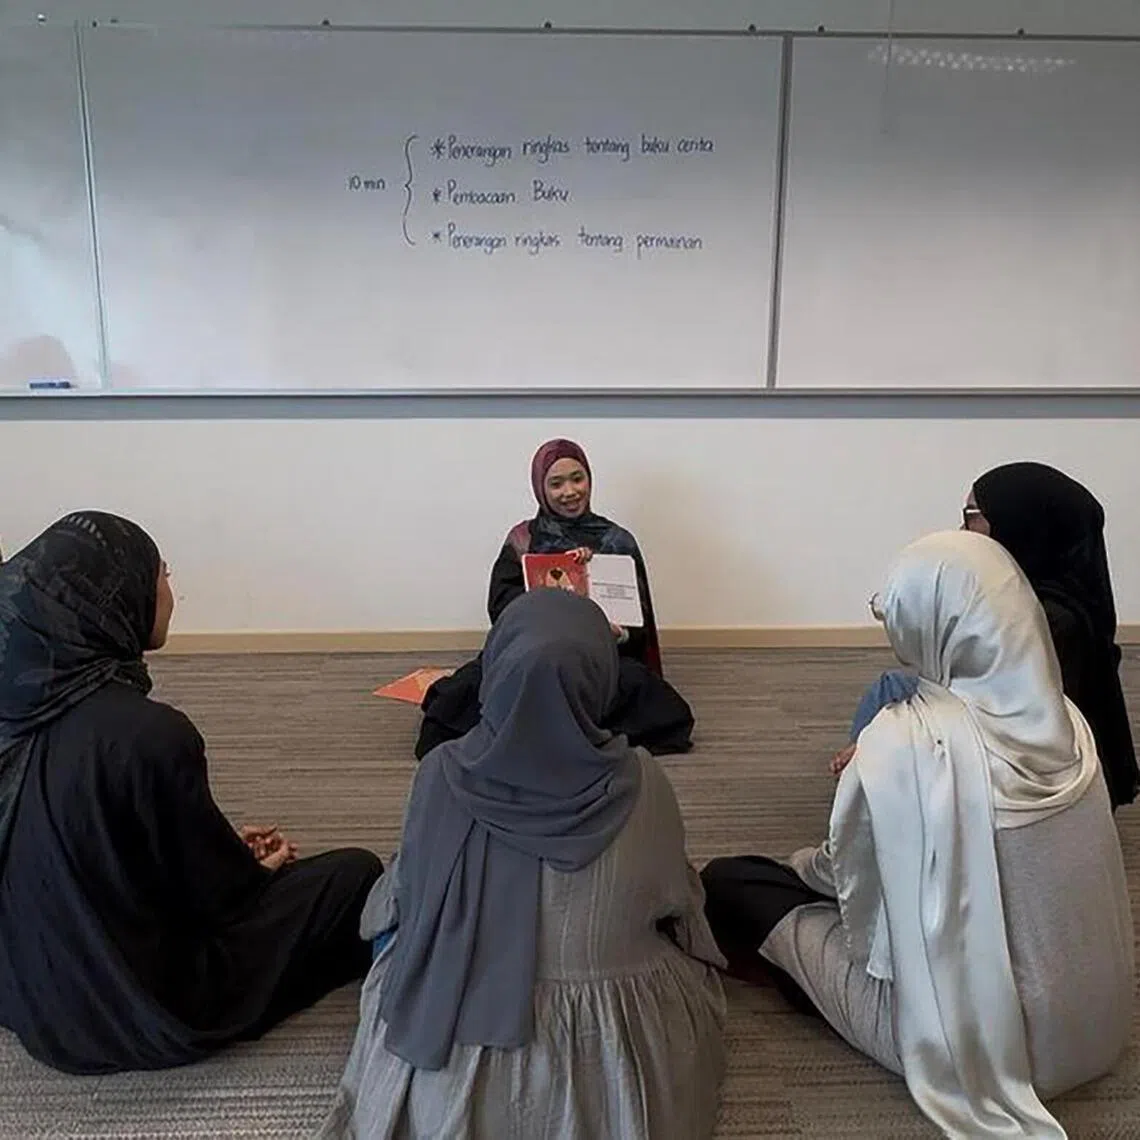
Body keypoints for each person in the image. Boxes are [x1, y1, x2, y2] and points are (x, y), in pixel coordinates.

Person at [702, 531, 1133, 1138]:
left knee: (735, 885)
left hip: (977, 1047)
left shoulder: (908, 739)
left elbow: (847, 883)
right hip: (1094, 1029)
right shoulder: (1071, 722)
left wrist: (803, 858)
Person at [322, 589, 726, 1140]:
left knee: (393, 936)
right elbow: (674, 903)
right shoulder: (642, 780)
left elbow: (401, 902)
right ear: (601, 678)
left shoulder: (440, 772)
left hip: (455, 1046)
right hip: (605, 1050)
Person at [0, 512, 382, 1074]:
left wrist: (214, 838)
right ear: (116, 595)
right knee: (354, 875)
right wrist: (257, 869)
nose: (171, 591)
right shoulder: (149, 734)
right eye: (162, 575)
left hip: (29, 991)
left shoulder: (14, 704)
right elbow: (218, 900)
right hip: (138, 1011)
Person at [416, 438, 694, 758]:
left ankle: (540, 729)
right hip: (530, 656)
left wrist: (618, 633)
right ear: (540, 488)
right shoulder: (523, 539)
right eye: (556, 483)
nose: (570, 492)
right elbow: (502, 609)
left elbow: (638, 625)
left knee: (667, 713)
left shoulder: (617, 540)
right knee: (450, 709)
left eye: (578, 478)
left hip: (593, 663)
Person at [966, 461, 1138, 808]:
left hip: (1027, 791)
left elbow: (996, 723)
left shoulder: (1043, 620)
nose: (963, 528)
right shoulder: (1058, 602)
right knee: (891, 693)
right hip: (1024, 767)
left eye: (972, 513)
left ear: (1018, 525)